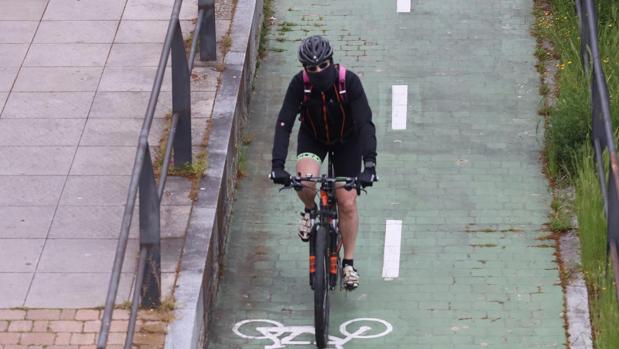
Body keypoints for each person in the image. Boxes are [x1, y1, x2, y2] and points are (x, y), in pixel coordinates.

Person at [270, 35, 377, 290]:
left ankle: (348, 263)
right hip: (313, 138)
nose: (318, 71)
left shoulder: (348, 82)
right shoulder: (300, 85)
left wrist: (369, 165)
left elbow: (365, 123)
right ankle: (309, 211)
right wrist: (277, 164)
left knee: (347, 202)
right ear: (304, 68)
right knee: (305, 182)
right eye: (311, 68)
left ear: (331, 61)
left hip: (346, 141)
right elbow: (284, 122)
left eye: (323, 65)